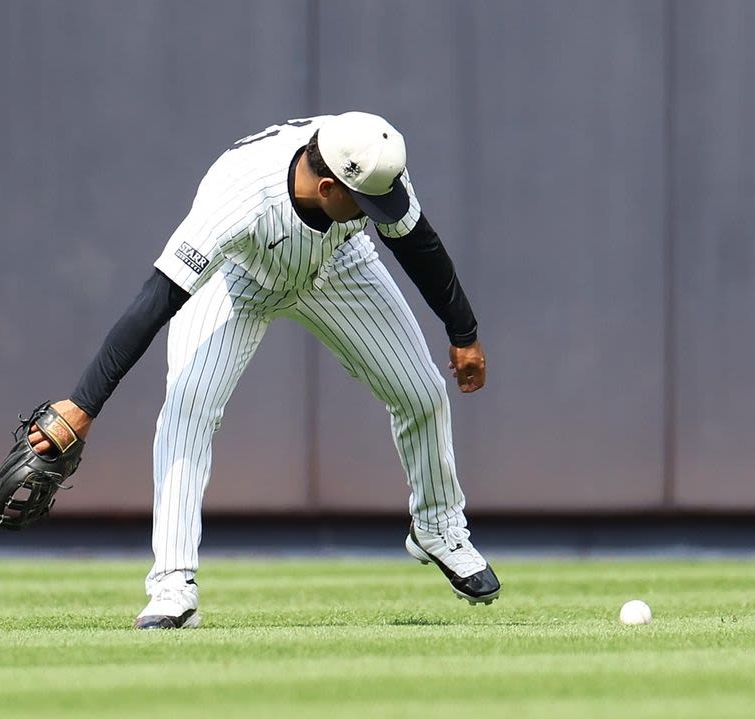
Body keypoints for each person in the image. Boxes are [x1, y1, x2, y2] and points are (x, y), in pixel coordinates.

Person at [27, 112, 500, 629]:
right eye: (365, 204)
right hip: (238, 278)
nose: (376, 210)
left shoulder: (370, 157)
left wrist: (464, 332)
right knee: (187, 411)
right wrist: (84, 403)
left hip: (340, 266)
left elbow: (418, 245)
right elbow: (156, 300)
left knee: (422, 392)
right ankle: (171, 585)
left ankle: (437, 527)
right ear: (326, 185)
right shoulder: (239, 197)